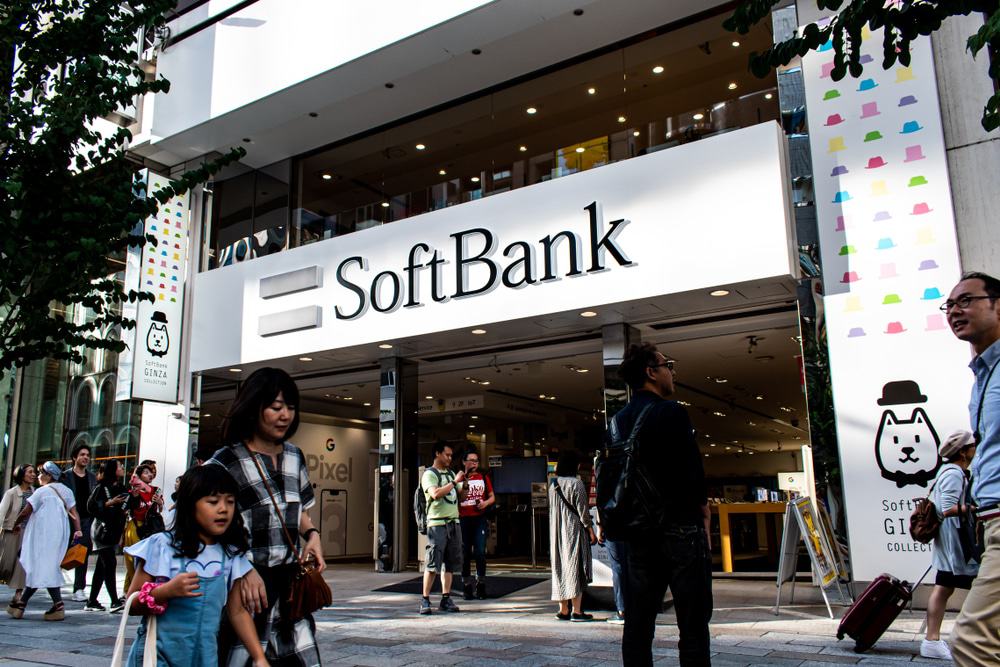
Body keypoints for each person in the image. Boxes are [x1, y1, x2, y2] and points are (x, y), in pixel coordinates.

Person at [207, 367, 324, 666]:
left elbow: (298, 509)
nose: (285, 415)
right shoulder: (225, 462)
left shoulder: (295, 456)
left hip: (289, 589)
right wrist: (241, 567)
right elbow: (206, 529)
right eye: (276, 407)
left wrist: (312, 535)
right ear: (253, 407)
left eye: (290, 407)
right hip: (247, 591)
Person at [611, 343, 712, 666]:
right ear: (651, 372)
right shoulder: (672, 412)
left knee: (638, 623)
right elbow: (692, 473)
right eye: (667, 365)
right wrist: (704, 515)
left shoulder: (618, 421)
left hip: (639, 534)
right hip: (680, 529)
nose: (672, 371)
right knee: (693, 623)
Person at [124, 465, 267, 666]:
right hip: (156, 656)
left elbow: (237, 612)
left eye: (230, 501)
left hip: (204, 657)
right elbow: (132, 603)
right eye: (213, 502)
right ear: (190, 505)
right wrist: (166, 591)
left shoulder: (230, 554)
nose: (223, 509)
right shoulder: (162, 546)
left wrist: (259, 657)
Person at [946, 272, 1000, 665]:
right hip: (989, 520)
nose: (954, 311)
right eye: (949, 305)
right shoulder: (982, 375)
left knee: (972, 641)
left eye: (966, 301)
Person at [919, 430, 979, 660]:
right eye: (972, 445)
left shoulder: (950, 471)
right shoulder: (954, 473)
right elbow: (947, 508)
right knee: (967, 586)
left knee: (944, 586)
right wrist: (976, 509)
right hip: (955, 541)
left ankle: (932, 640)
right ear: (963, 452)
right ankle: (938, 640)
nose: (975, 448)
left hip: (951, 540)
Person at [9, 461, 83, 621]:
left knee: (42, 567)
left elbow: (25, 512)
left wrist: (15, 524)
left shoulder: (41, 492)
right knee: (48, 568)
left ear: (49, 476)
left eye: (41, 473)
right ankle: (24, 604)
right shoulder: (67, 491)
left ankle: (50, 605)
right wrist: (78, 530)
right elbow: (74, 512)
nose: (38, 476)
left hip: (41, 536)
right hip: (60, 536)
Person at [549, 449, 596, 621]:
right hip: (574, 530)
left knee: (560, 566)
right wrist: (590, 530)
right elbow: (583, 512)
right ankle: (577, 611)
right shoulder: (577, 484)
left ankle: (563, 610)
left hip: (557, 531)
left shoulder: (553, 485)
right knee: (575, 567)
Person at [419, 441, 465, 615]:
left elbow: (461, 495)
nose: (450, 458)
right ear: (437, 453)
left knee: (450, 563)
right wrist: (455, 482)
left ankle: (446, 598)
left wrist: (464, 484)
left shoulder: (451, 473)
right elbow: (435, 493)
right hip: (437, 524)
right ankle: (425, 599)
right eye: (447, 455)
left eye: (451, 455)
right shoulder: (429, 474)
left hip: (454, 523)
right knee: (432, 563)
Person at [86, 458, 128, 613]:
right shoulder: (101, 487)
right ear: (112, 470)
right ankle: (114, 601)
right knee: (110, 564)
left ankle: (92, 601)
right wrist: (108, 503)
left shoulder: (120, 487)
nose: (122, 468)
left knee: (101, 567)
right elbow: (90, 507)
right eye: (119, 466)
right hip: (101, 531)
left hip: (113, 531)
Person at [62, 443, 97, 602]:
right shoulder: (65, 476)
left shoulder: (92, 477)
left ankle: (79, 588)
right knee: (61, 550)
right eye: (82, 454)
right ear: (75, 457)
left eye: (88, 455)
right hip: (67, 518)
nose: (85, 457)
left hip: (86, 520)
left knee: (82, 553)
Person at [458, 447, 494, 600]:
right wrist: (464, 479)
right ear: (464, 462)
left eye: (476, 461)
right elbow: (458, 498)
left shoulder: (483, 477)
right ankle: (466, 585)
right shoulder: (458, 478)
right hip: (463, 519)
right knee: (465, 553)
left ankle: (481, 584)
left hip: (479, 518)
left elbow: (492, 497)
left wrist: (485, 503)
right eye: (471, 460)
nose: (474, 463)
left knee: (480, 552)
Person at [1, 464, 36, 613]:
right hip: (11, 533)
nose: (33, 474)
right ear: (21, 474)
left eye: (34, 472)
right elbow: (1, 513)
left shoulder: (36, 493)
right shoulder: (11, 493)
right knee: (5, 564)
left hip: (27, 534)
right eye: (30, 472)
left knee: (22, 566)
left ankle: (18, 595)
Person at [123, 463, 163, 591]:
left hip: (150, 528)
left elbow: (160, 509)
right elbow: (128, 509)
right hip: (136, 527)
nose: (150, 474)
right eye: (146, 472)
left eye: (151, 472)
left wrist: (160, 503)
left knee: (145, 560)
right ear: (139, 476)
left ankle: (139, 589)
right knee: (132, 560)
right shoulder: (134, 491)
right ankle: (129, 591)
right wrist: (134, 496)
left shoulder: (156, 490)